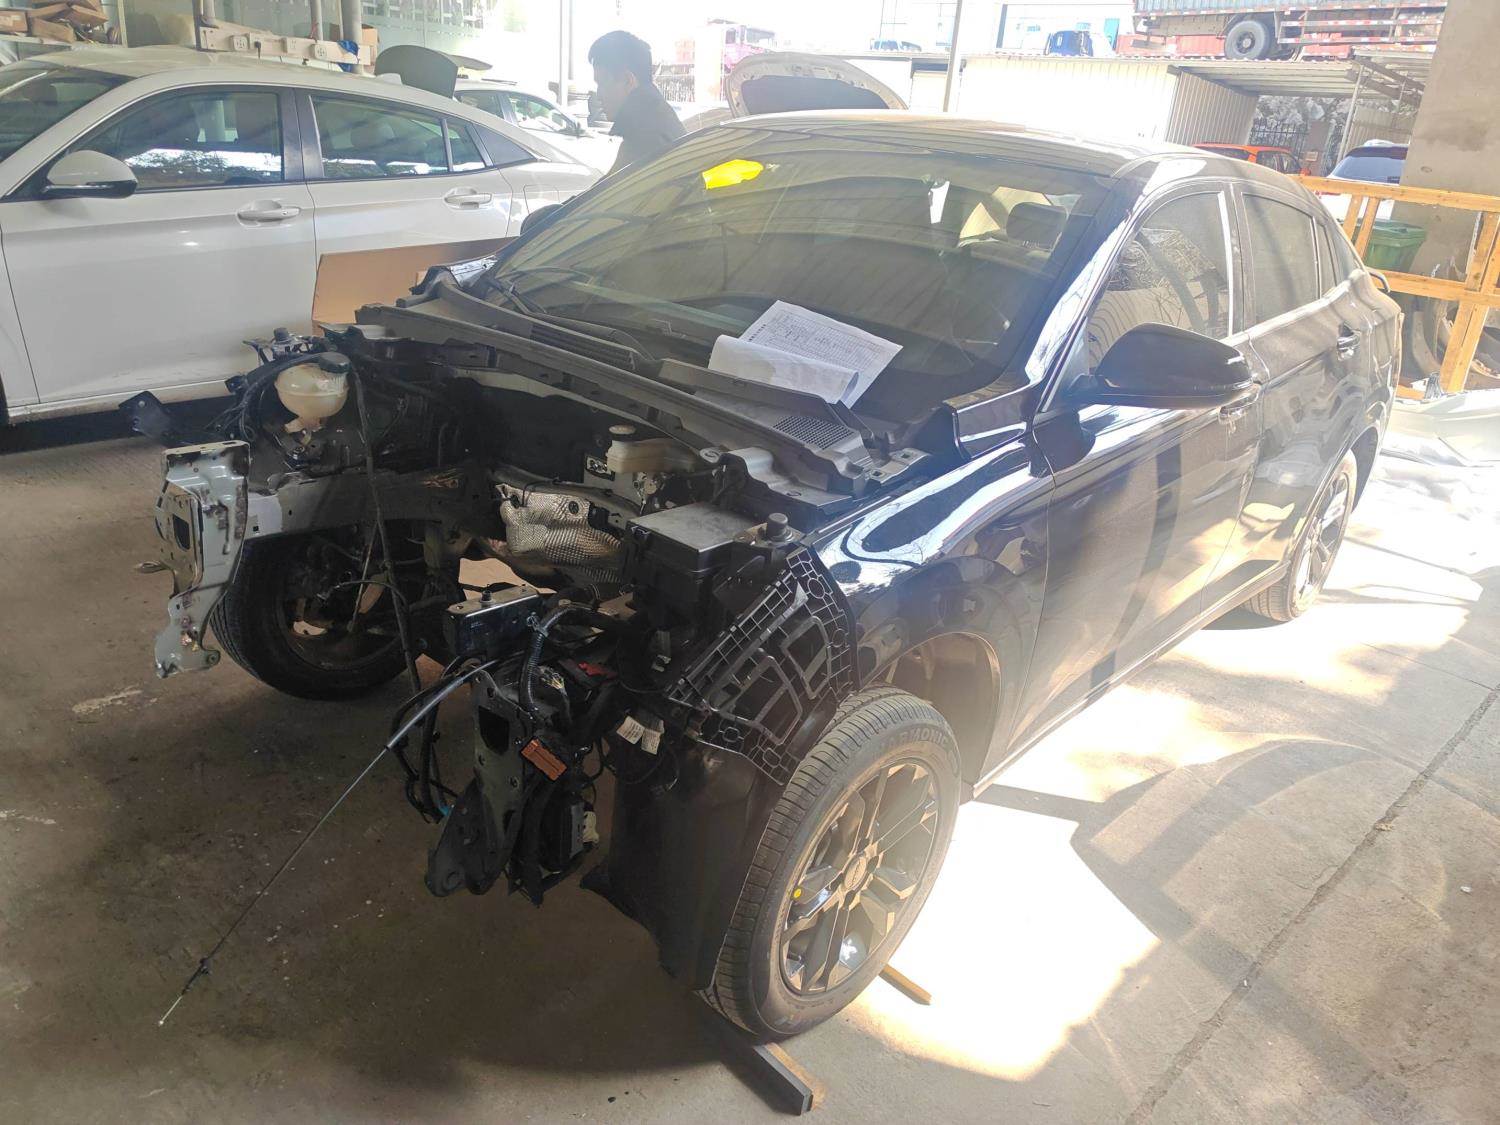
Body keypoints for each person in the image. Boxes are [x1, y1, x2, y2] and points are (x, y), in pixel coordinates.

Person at [588, 30, 685, 175]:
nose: (599, 95)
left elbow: (613, 187)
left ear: (628, 80)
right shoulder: (654, 119)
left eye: (603, 83)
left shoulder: (647, 138)